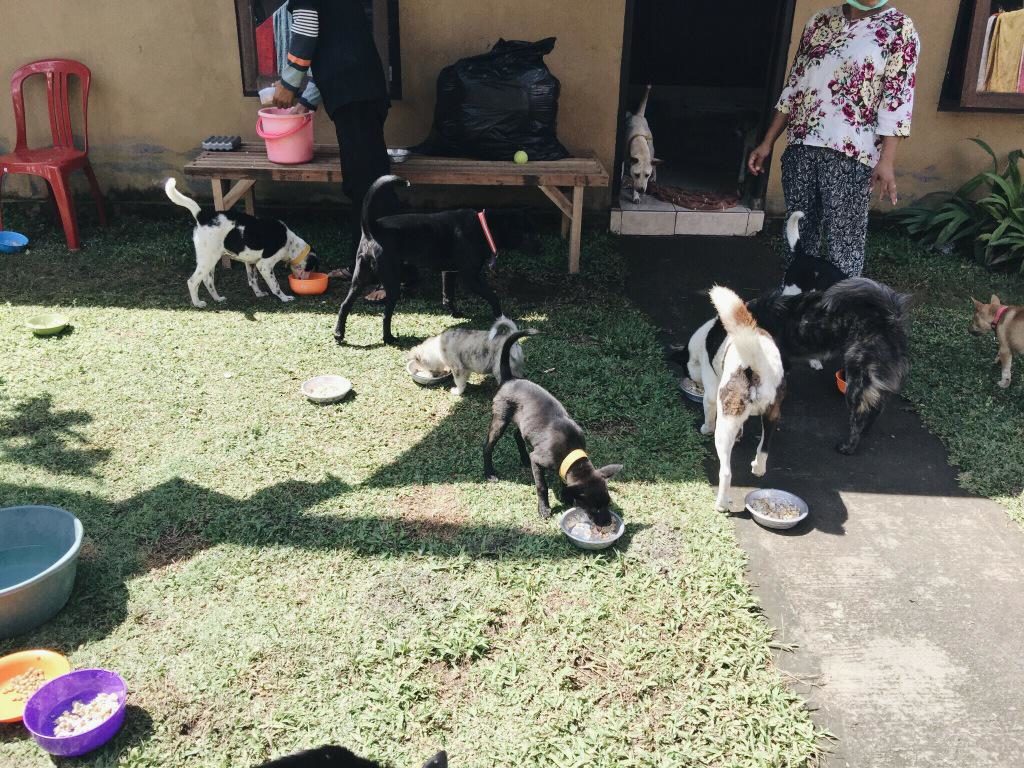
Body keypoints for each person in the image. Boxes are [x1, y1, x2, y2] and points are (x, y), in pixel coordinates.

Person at [748, 0, 920, 278]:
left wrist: (887, 160)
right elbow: (794, 85)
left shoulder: (899, 29)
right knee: (799, 232)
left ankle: (840, 311)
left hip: (852, 154)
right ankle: (796, 300)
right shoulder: (820, 21)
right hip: (802, 147)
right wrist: (768, 141)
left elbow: (897, 99)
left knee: (845, 243)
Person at [272, 0, 398, 302]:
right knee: (359, 186)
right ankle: (363, 266)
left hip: (355, 96)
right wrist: (308, 100)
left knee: (373, 187)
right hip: (357, 92)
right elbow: (334, 47)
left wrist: (289, 84)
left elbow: (307, 33)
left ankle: (398, 275)